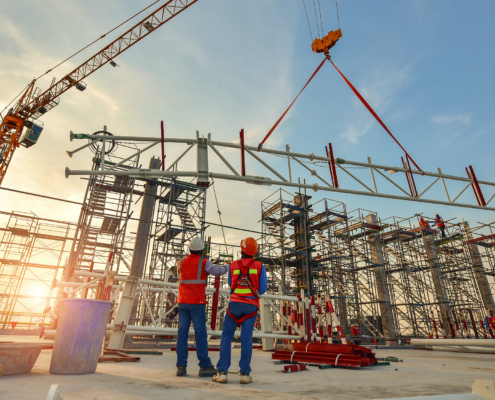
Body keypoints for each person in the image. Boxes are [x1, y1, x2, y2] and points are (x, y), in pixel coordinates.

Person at [212, 237, 267, 384]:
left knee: (226, 337)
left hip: (234, 305)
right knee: (246, 338)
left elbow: (231, 284)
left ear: (242, 249)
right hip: (251, 307)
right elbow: (262, 289)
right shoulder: (260, 266)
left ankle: (222, 373)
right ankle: (244, 374)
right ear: (254, 252)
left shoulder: (233, 265)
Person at [176, 237, 229, 377]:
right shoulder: (204, 262)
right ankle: (204, 365)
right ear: (202, 250)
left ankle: (181, 366)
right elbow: (217, 271)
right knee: (200, 333)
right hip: (196, 303)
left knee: (182, 334)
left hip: (182, 302)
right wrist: (228, 266)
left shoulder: (180, 262)